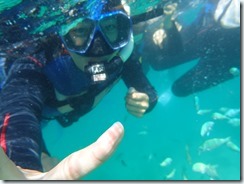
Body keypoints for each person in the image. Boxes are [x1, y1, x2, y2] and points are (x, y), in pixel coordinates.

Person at [0, 0, 158, 180]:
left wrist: (146, 101)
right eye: (80, 31)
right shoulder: (37, 63)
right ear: (63, 37)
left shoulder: (124, 56)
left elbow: (147, 90)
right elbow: (19, 111)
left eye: (110, 27)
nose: (98, 47)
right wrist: (23, 167)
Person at [138, 0, 240, 97]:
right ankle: (138, 50)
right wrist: (167, 23)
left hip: (232, 56)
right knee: (158, 62)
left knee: (180, 89)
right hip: (207, 33)